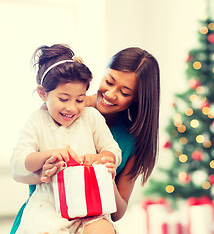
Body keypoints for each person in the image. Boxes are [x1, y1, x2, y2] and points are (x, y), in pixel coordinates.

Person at [10, 47, 160, 233]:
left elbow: (117, 211)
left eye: (125, 92)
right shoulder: (51, 111)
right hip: (46, 212)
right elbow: (19, 167)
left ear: (137, 99)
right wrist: (44, 168)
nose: (111, 94)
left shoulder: (109, 128)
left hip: (91, 214)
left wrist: (105, 172)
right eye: (109, 81)